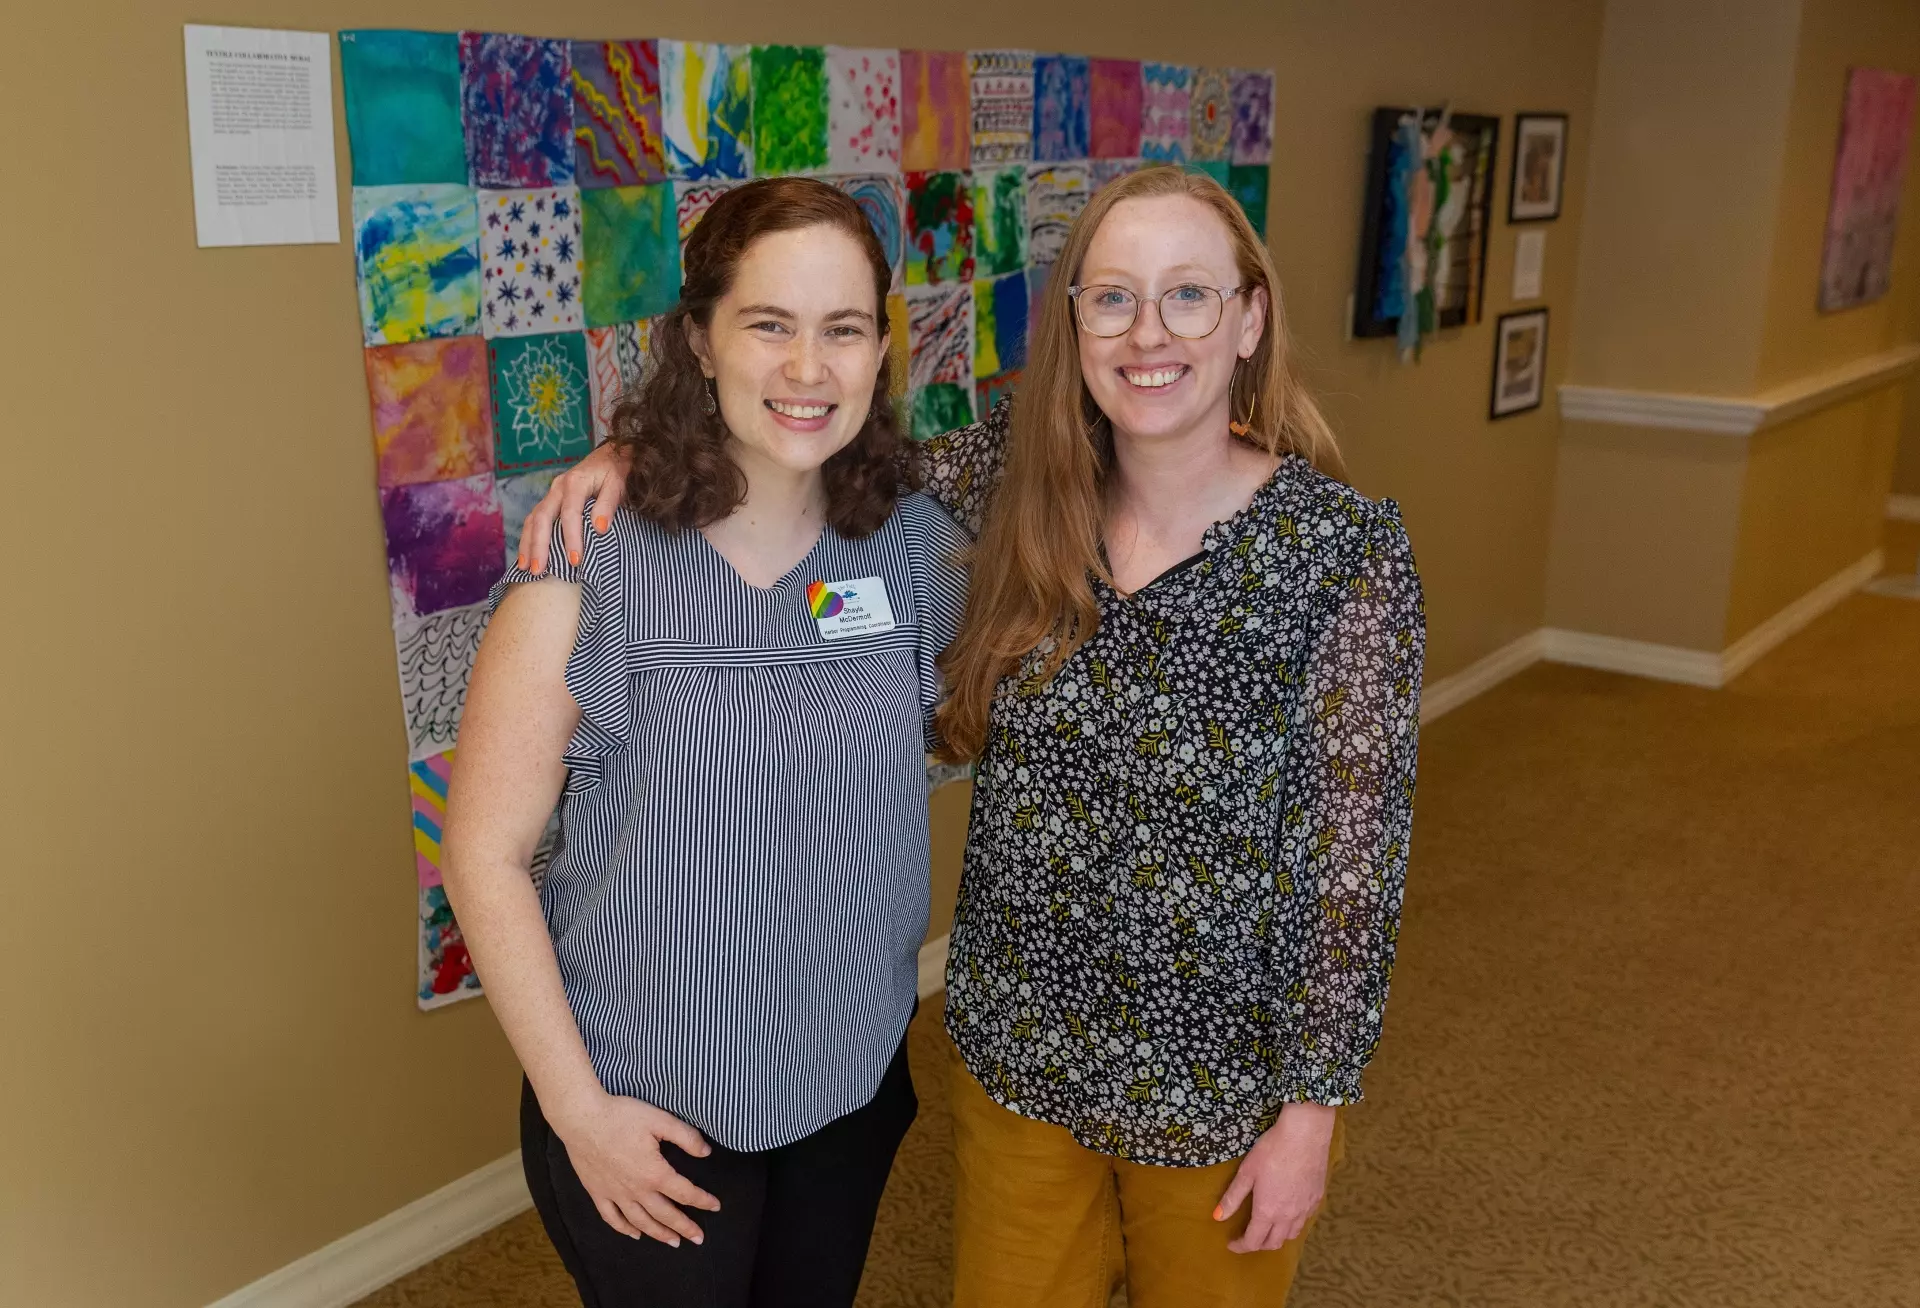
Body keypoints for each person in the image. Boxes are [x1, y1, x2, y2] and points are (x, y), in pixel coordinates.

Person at [521, 165, 1425, 1307]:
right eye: (1112, 299)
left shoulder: (1341, 554)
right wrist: (633, 455)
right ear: (1075, 325)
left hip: (1218, 1076)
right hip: (1018, 1050)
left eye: (1189, 296)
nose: (1150, 334)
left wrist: (1311, 1112)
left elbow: (1350, 865)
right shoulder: (1016, 488)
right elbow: (818, 450)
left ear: (1249, 317)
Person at [443, 176, 969, 1308]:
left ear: (882, 350)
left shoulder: (920, 551)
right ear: (699, 339)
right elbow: (481, 856)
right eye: (767, 325)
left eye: (842, 330)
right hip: (643, 1103)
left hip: (848, 1080)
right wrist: (582, 1116)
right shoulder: (591, 560)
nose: (806, 368)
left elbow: (1063, 552)